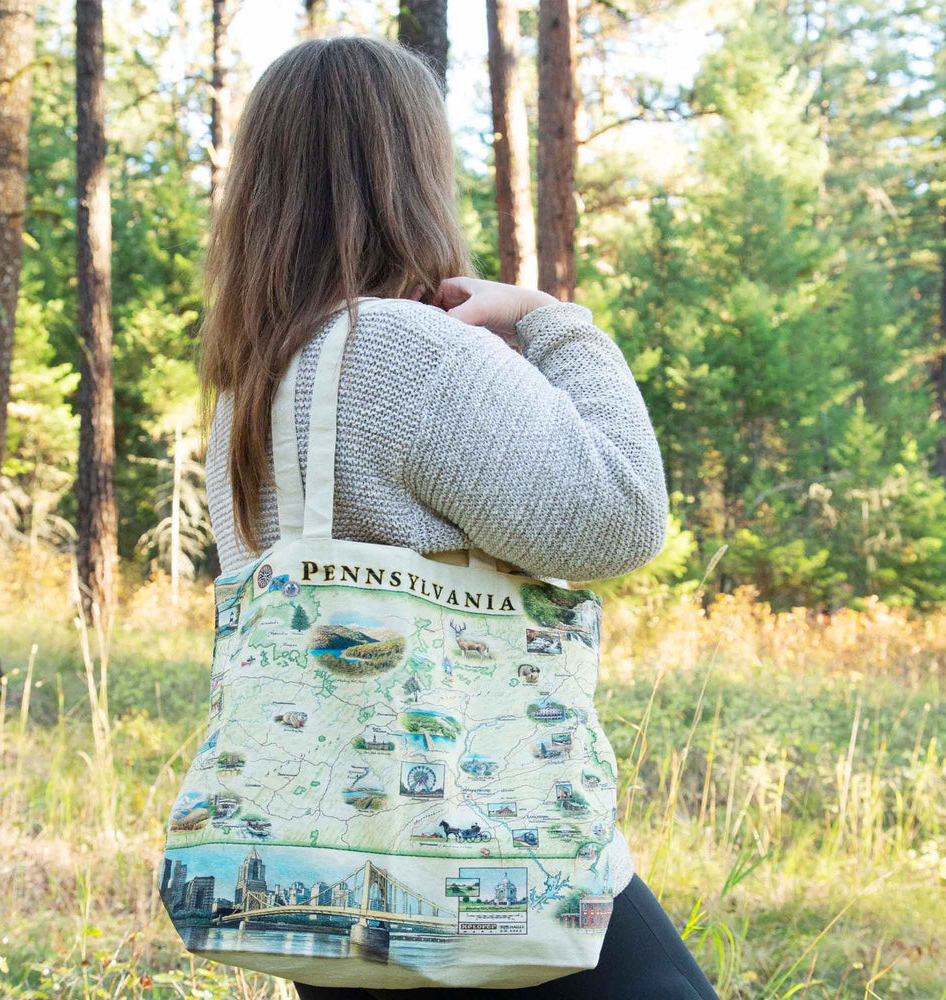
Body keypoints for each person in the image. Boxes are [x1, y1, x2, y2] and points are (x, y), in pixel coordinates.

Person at [198, 31, 719, 1000]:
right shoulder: (409, 350)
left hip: (323, 875)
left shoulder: (249, 383)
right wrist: (554, 321)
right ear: (412, 170)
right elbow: (623, 517)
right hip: (486, 852)